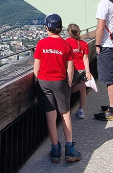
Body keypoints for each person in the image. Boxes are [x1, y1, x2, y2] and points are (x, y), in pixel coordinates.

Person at [33, 14, 81, 163]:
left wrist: (36, 85)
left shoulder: (41, 43)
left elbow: (37, 67)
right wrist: (69, 83)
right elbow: (70, 69)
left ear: (47, 27)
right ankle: (70, 149)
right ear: (60, 29)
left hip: (43, 82)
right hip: (60, 81)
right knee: (65, 113)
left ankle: (55, 149)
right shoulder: (66, 45)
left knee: (51, 115)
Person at [65, 23, 91, 119]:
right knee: (82, 90)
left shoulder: (67, 42)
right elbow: (85, 58)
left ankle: (66, 111)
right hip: (83, 69)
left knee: (69, 89)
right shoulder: (84, 44)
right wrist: (87, 71)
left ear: (69, 33)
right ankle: (81, 110)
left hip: (74, 69)